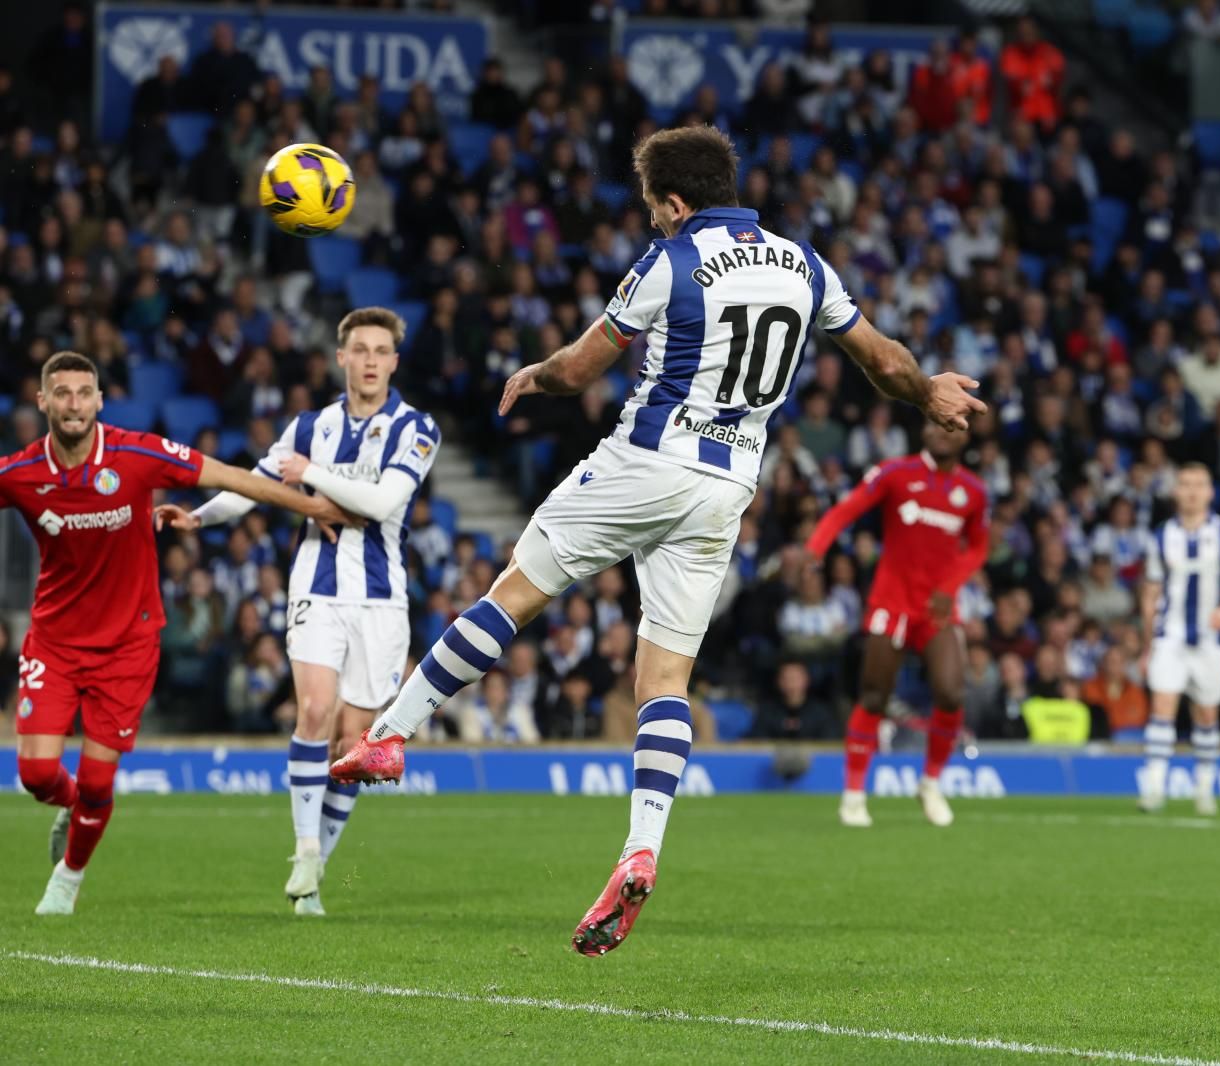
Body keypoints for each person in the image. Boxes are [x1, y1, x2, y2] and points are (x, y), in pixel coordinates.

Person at [330, 126, 983, 955]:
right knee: (664, 677)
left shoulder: (672, 263)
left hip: (645, 461)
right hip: (726, 491)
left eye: (652, 211)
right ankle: (642, 845)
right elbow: (883, 360)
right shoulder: (803, 263)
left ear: (675, 203)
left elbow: (578, 369)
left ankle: (391, 732)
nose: (651, 224)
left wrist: (536, 374)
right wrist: (931, 393)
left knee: (515, 596)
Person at [2, 351, 348, 916]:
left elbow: (235, 478)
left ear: (98, 400)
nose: (72, 404)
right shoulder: (21, 473)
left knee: (96, 780)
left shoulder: (136, 454)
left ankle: (68, 879)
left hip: (127, 646)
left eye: (82, 393)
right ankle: (69, 806)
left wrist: (311, 507)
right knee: (38, 774)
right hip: (54, 642)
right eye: (60, 393)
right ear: (42, 401)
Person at [164, 308, 437, 917]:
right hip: (316, 586)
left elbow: (384, 501)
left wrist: (311, 481)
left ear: (394, 361)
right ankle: (305, 852)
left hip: (381, 600)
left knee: (354, 743)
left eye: (380, 351)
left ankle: (316, 874)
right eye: (358, 349)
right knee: (313, 709)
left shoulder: (415, 428)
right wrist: (198, 517)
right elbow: (254, 488)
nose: (369, 360)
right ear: (340, 357)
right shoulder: (309, 425)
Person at [805, 422, 990, 828]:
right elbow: (847, 509)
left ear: (965, 437)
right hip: (892, 601)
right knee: (874, 696)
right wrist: (815, 548)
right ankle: (854, 794)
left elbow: (978, 545)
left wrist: (951, 585)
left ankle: (931, 783)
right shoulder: (895, 472)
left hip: (937, 607)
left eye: (952, 427)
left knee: (951, 693)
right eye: (934, 422)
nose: (941, 432)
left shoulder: (973, 492)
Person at [1138, 464, 1220, 815]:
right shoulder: (1161, 535)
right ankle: (1154, 786)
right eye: (1185, 484)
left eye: (1198, 484)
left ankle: (1204, 787)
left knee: (1205, 713)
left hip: (1209, 639)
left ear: (1210, 492)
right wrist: (1147, 644)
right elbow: (1151, 593)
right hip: (1169, 635)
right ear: (1176, 491)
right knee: (1163, 706)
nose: (1191, 491)